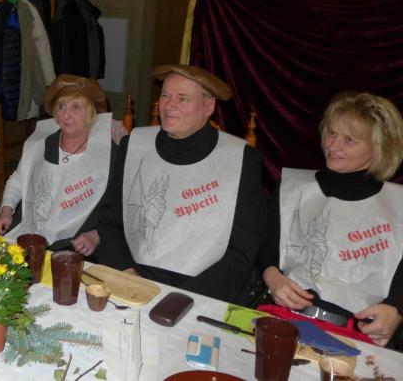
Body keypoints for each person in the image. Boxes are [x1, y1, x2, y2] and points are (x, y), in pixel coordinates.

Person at [96, 64, 264, 302]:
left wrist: (184, 298)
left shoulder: (241, 158)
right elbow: (110, 220)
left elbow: (242, 249)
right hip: (132, 278)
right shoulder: (133, 144)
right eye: (165, 95)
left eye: (182, 99)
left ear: (208, 107)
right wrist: (127, 273)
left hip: (204, 293)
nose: (168, 105)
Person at [258, 91, 403, 347]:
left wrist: (396, 310)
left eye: (349, 140)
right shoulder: (294, 188)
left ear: (378, 148)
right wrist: (273, 277)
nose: (333, 146)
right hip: (283, 318)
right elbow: (264, 250)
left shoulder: (398, 204)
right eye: (331, 133)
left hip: (356, 336)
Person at [0, 74, 121, 256]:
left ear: (91, 112)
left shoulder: (109, 154)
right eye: (61, 106)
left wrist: (97, 234)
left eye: (75, 107)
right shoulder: (40, 145)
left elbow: (119, 206)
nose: (66, 115)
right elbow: (18, 180)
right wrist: (6, 210)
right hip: (30, 231)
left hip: (77, 241)